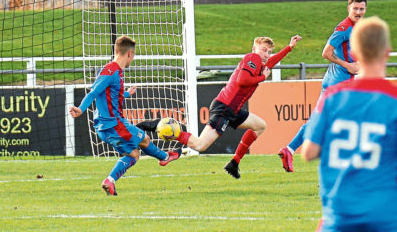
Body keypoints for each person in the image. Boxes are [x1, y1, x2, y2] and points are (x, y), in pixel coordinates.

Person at [300, 16, 396, 232]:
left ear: (353, 52)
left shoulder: (333, 97)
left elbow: (308, 152)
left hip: (341, 205)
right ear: (387, 53)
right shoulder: (393, 99)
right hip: (386, 206)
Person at [138, 35, 302, 179]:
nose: (266, 54)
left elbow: (270, 63)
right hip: (225, 108)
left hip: (233, 109)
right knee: (200, 145)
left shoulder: (259, 62)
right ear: (254, 49)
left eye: (268, 51)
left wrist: (289, 48)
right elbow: (242, 81)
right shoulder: (253, 58)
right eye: (263, 50)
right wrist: (262, 78)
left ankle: (234, 163)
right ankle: (166, 132)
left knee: (260, 126)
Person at [69, 36, 182, 196]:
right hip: (113, 124)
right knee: (144, 139)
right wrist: (80, 109)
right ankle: (164, 156)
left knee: (134, 155)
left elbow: (112, 96)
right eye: (133, 56)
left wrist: (127, 94)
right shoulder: (111, 71)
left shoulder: (116, 72)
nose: (132, 60)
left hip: (104, 127)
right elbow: (93, 92)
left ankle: (110, 181)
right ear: (129, 54)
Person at [277, 0, 367, 173]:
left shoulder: (358, 27)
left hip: (337, 80)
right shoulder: (344, 28)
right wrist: (347, 65)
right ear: (348, 8)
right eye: (355, 8)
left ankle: (289, 150)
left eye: (361, 9)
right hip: (339, 82)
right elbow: (326, 52)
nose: (358, 12)